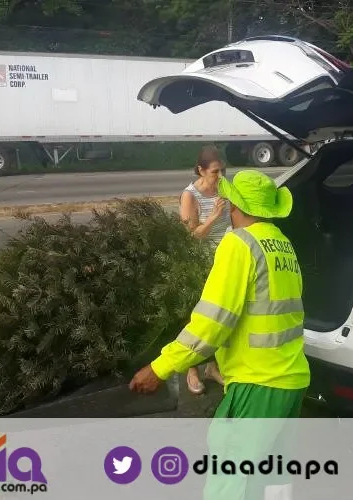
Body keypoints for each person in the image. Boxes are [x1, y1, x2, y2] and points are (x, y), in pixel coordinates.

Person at [130, 170, 310, 500]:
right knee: (273, 479)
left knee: (229, 478)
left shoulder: (239, 244)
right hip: (291, 380)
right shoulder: (283, 246)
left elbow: (211, 323)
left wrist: (160, 368)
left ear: (234, 206)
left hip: (259, 383)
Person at [179, 145, 230, 394]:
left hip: (226, 256)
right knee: (199, 315)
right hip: (201, 259)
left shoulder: (224, 187)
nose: (219, 177)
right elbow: (192, 237)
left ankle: (212, 366)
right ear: (200, 170)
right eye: (214, 172)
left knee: (219, 313)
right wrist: (213, 216)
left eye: (222, 171)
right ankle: (192, 369)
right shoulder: (190, 196)